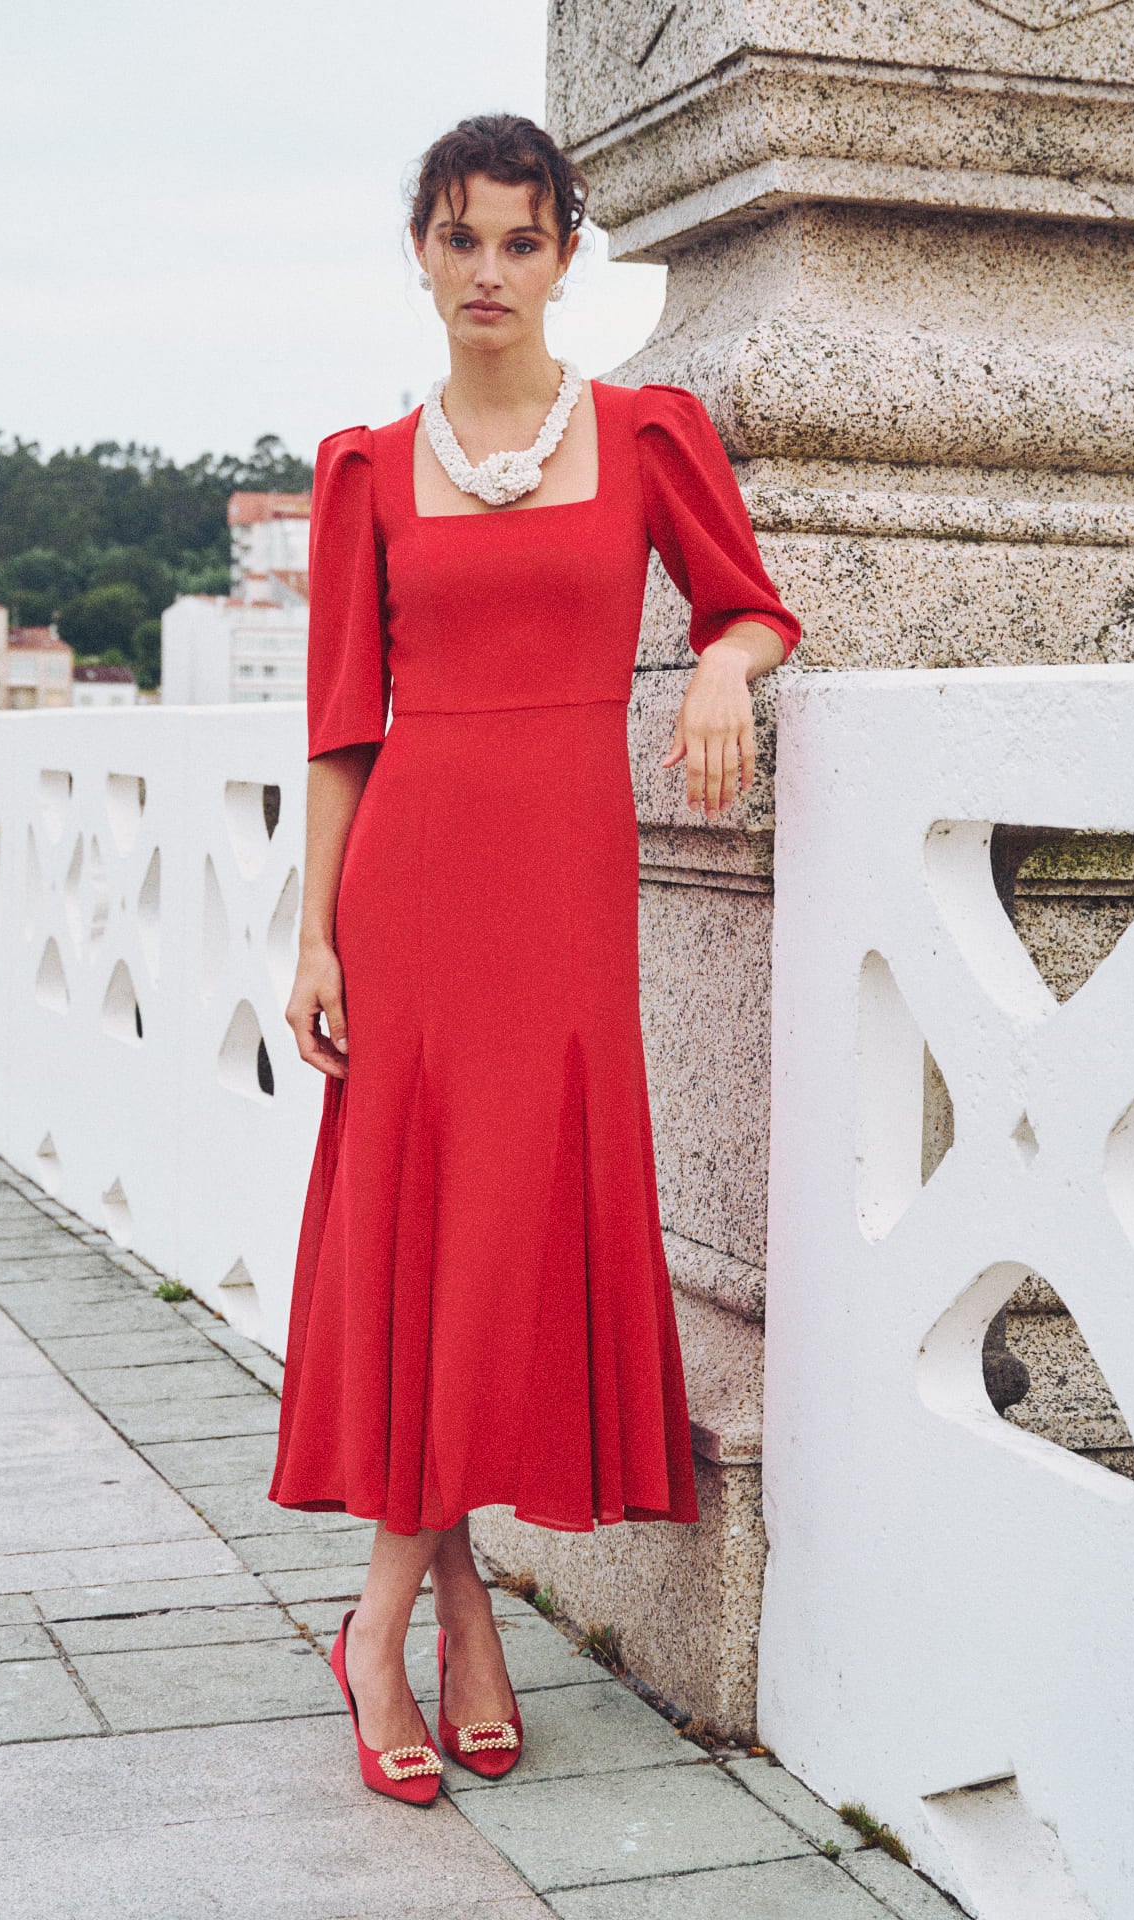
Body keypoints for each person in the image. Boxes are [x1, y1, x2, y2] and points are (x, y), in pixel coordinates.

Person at [270, 112, 800, 1804]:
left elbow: (753, 602)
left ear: (570, 251)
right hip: (414, 896)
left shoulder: (649, 433)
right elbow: (345, 728)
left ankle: (432, 1604)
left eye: (521, 239)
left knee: (505, 1244)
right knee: (427, 1248)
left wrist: (720, 671)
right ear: (419, 252)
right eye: (460, 238)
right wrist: (314, 940)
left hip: (568, 900)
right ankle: (409, 1619)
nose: (489, 270)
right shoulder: (365, 467)